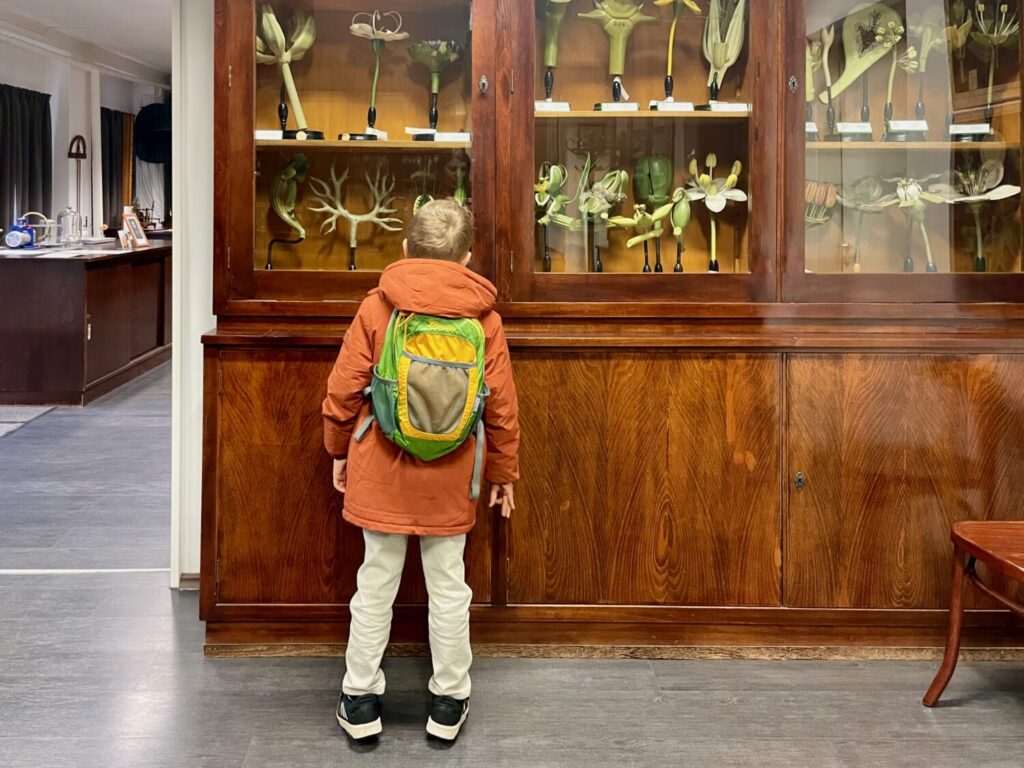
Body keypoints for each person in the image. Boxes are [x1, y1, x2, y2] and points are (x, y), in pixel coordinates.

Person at [322, 199, 520, 743]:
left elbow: (342, 390)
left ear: (405, 250)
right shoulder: (485, 319)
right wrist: (501, 474)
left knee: (375, 582)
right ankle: (449, 700)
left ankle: (360, 698)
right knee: (449, 587)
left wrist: (339, 448)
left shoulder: (376, 309)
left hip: (381, 468)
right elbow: (500, 405)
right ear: (467, 257)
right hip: (453, 476)